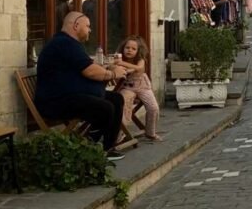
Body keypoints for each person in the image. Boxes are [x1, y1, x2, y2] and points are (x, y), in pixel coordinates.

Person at [35, 11, 128, 161]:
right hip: (55, 102)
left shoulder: (69, 44)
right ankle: (87, 147)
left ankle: (108, 148)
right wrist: (112, 74)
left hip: (68, 96)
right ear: (76, 25)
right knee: (105, 108)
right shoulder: (64, 43)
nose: (90, 30)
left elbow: (87, 65)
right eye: (88, 26)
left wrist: (106, 71)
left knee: (116, 99)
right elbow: (90, 71)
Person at [115, 35, 161, 141]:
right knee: (123, 105)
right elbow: (115, 67)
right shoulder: (120, 58)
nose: (129, 50)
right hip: (127, 86)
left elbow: (139, 68)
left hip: (142, 86)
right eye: (127, 48)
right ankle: (120, 133)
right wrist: (117, 64)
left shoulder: (140, 60)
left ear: (138, 51)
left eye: (133, 49)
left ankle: (150, 132)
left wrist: (122, 64)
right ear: (123, 48)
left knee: (153, 107)